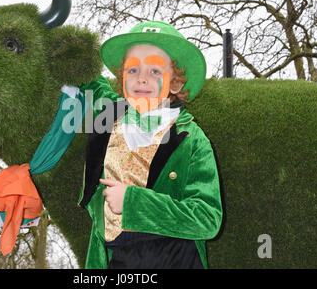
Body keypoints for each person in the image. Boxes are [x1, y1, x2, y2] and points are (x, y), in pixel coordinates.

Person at [78, 21, 222, 269]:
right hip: (110, 260)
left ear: (176, 83)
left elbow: (208, 219)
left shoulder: (193, 140)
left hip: (172, 259)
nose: (141, 79)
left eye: (155, 71)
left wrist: (133, 202)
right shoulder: (110, 115)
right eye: (132, 70)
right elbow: (89, 79)